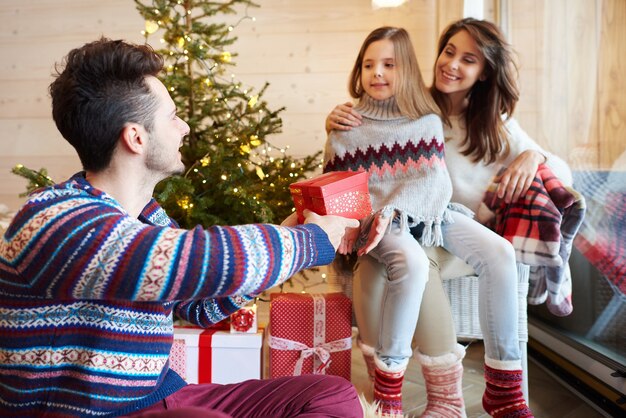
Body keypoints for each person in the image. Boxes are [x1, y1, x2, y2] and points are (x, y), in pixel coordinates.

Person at [0, 38, 362, 418]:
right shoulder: (58, 220)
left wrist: (289, 233)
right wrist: (310, 241)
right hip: (95, 413)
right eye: (172, 116)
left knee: (332, 395)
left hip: (160, 396)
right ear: (136, 137)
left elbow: (201, 308)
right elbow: (202, 258)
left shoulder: (147, 215)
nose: (184, 126)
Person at [324, 18, 572, 418]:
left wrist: (535, 155)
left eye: (468, 59)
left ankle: (504, 390)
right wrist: (337, 118)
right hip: (405, 232)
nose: (452, 64)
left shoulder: (493, 122)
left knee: (498, 253)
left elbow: (558, 171)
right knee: (407, 265)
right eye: (448, 52)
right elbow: (349, 167)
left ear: (484, 72)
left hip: (443, 223)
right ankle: (420, 397)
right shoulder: (413, 104)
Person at [323, 26, 468, 417]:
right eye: (369, 64)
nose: (377, 73)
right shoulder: (345, 124)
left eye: (389, 64)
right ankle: (392, 396)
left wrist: (395, 211)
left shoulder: (425, 121)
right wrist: (368, 219)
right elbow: (336, 184)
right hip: (366, 227)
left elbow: (435, 184)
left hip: (413, 222)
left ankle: (392, 399)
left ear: (406, 68)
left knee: (410, 261)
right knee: (404, 261)